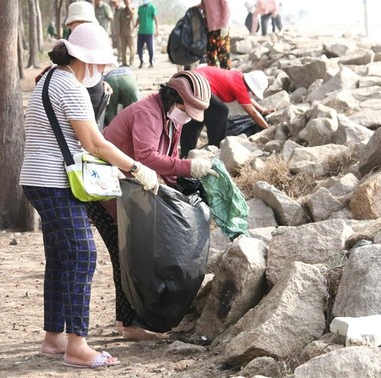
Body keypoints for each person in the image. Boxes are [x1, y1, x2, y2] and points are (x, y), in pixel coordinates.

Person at [19, 22, 159, 369]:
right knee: (83, 254)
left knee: (60, 257)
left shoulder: (49, 78)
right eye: (101, 64)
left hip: (35, 179)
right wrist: (136, 169)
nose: (103, 71)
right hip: (53, 182)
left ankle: (54, 338)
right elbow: (94, 143)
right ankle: (77, 346)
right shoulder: (71, 87)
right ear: (89, 60)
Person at [86, 70, 217, 340]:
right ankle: (128, 324)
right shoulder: (147, 113)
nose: (187, 116)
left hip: (129, 192)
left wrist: (182, 186)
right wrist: (189, 167)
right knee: (123, 254)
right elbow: (147, 156)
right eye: (187, 109)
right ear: (174, 98)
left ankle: (133, 319)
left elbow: (169, 160)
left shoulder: (172, 119)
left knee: (136, 252)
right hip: (104, 190)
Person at [37, 1, 113, 128]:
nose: (83, 27)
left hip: (94, 100)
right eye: (79, 23)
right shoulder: (65, 53)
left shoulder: (96, 43)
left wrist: (104, 81)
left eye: (86, 24)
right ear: (69, 26)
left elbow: (98, 72)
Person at [180, 66, 274, 158]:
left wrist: (263, 111)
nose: (252, 94)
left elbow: (247, 100)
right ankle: (216, 147)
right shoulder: (240, 86)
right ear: (250, 86)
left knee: (195, 119)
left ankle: (185, 154)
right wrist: (268, 128)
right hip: (199, 84)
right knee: (221, 111)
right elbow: (253, 113)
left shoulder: (238, 76)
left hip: (191, 81)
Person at [200, 0, 231, 69]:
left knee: (223, 56)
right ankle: (214, 77)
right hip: (209, 27)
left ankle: (225, 78)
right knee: (210, 56)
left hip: (221, 27)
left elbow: (227, 7)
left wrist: (225, 25)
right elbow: (203, 5)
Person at [135, 0, 158, 68]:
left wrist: (157, 29)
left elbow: (155, 18)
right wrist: (135, 26)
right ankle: (141, 62)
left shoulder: (152, 7)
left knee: (150, 47)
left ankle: (151, 62)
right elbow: (139, 18)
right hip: (141, 31)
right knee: (139, 48)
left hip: (149, 31)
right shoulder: (140, 8)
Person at [117, 0, 136, 67]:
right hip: (123, 33)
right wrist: (120, 31)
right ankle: (124, 62)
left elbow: (132, 14)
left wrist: (129, 6)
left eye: (127, 1)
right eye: (125, 1)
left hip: (130, 33)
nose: (126, 2)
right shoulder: (122, 10)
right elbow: (120, 21)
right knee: (123, 49)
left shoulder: (132, 8)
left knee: (132, 48)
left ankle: (131, 61)